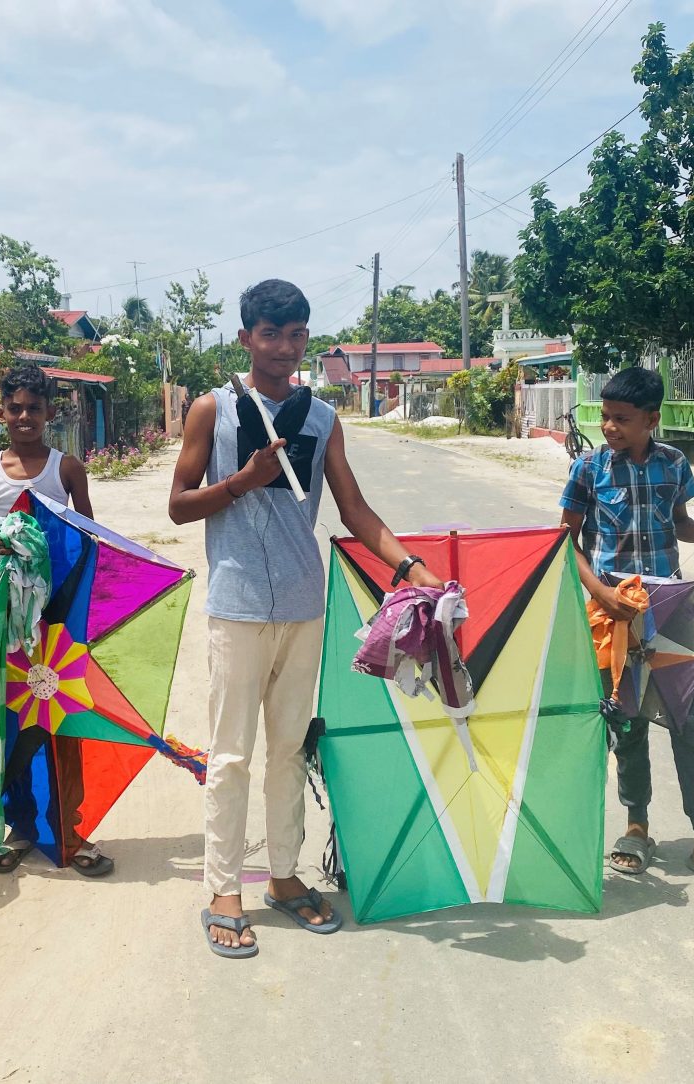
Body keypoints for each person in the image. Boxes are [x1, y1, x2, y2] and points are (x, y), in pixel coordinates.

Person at [169, 278, 445, 959]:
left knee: (289, 751)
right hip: (235, 606)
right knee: (231, 756)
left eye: (296, 335)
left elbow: (353, 510)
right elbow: (178, 505)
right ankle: (224, 890)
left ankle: (285, 877)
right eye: (271, 334)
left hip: (302, 604)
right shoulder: (214, 410)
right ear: (245, 338)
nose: (285, 348)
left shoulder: (322, 419)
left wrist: (410, 569)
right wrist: (242, 483)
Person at [558, 367, 694, 898]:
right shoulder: (588, 469)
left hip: (668, 611)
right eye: (604, 416)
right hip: (612, 612)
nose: (609, 427)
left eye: (622, 419)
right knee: (627, 725)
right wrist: (602, 594)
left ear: (652, 419)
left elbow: (681, 522)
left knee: (688, 722)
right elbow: (566, 543)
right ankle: (637, 826)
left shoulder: (673, 465)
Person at [0, 364, 111, 876]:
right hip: (6, 618)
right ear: (1, 412)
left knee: (62, 719)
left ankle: (70, 829)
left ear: (49, 413)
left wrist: (72, 593)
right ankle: (20, 826)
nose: (24, 417)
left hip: (58, 616)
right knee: (13, 718)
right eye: (15, 408)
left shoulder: (66, 469)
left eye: (34, 409)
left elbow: (89, 537)